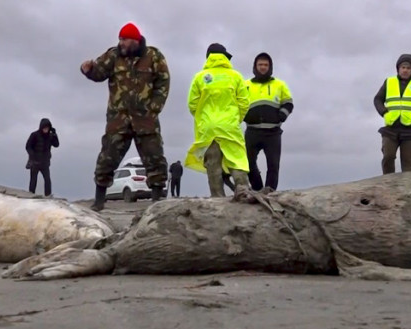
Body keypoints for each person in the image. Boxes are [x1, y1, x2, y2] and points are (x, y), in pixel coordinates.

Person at [81, 23, 170, 211]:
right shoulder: (113, 56)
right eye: (120, 39)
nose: (121, 43)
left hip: (145, 118)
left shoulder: (154, 57)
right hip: (118, 118)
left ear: (135, 40)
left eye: (124, 39)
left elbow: (163, 80)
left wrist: (154, 107)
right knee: (107, 157)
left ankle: (156, 199)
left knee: (154, 157)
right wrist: (88, 70)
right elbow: (99, 73)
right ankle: (99, 201)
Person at [185, 43, 250, 197]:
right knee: (237, 159)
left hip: (208, 128)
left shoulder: (200, 77)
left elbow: (192, 104)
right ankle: (243, 191)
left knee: (213, 165)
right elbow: (244, 103)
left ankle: (217, 198)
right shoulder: (236, 76)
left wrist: (203, 119)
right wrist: (235, 119)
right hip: (230, 126)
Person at [373, 54, 411, 174]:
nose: (405, 70)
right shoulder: (389, 82)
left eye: (408, 68)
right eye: (403, 67)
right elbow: (377, 99)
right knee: (388, 157)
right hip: (391, 128)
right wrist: (384, 113)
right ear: (398, 69)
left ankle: (406, 191)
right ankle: (387, 183)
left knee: (408, 166)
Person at [243, 52, 294, 192]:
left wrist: (281, 116)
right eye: (260, 64)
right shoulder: (245, 85)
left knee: (273, 165)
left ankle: (270, 192)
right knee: (247, 163)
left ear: (270, 67)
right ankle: (258, 189)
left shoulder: (279, 84)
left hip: (273, 132)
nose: (263, 67)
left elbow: (288, 103)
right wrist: (245, 116)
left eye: (266, 65)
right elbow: (237, 104)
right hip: (252, 131)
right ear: (255, 66)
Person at [25, 118, 59, 196]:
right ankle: (30, 195)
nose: (46, 129)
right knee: (33, 180)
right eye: (44, 127)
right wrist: (32, 155)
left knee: (47, 180)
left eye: (47, 127)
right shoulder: (34, 135)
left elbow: (56, 145)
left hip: (45, 163)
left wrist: (54, 134)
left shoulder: (50, 136)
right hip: (35, 162)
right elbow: (28, 146)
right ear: (41, 127)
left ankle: (48, 196)